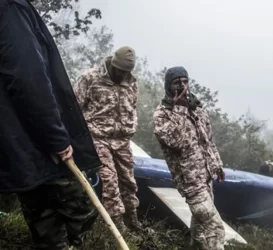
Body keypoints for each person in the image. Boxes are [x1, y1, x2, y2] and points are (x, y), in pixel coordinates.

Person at [0, 1, 102, 249]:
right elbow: (27, 77)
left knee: (44, 222)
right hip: (39, 143)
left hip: (17, 149)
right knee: (80, 212)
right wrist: (55, 137)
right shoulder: (9, 7)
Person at [153, 66, 226, 250]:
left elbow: (208, 140)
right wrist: (179, 110)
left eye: (185, 82)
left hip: (206, 176)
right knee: (215, 228)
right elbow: (174, 141)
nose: (183, 87)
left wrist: (217, 165)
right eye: (177, 83)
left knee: (200, 227)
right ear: (168, 86)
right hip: (189, 181)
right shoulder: (163, 114)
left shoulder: (197, 108)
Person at [73, 46, 142, 232]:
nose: (123, 75)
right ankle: (117, 226)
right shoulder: (91, 78)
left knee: (128, 181)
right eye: (120, 70)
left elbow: (133, 107)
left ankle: (132, 219)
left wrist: (131, 126)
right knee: (109, 181)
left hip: (122, 141)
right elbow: (74, 108)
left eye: (127, 72)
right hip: (97, 138)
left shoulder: (131, 82)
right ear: (113, 64)